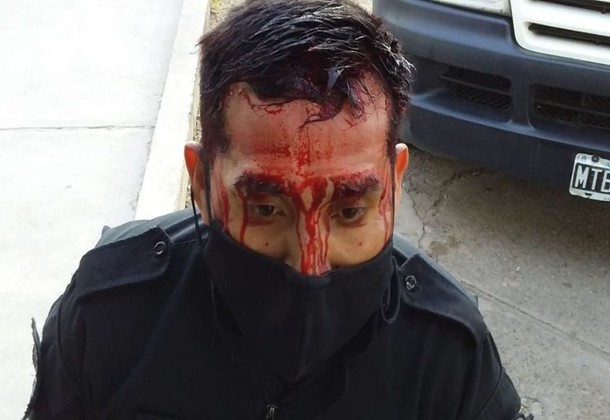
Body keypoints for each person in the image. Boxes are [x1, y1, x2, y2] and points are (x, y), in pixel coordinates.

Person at [26, 0, 528, 419]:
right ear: (200, 182)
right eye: (266, 209)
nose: (310, 266)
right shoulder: (110, 316)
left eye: (349, 212)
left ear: (393, 185)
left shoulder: (446, 356)